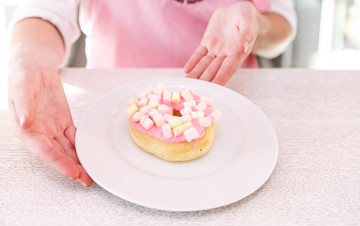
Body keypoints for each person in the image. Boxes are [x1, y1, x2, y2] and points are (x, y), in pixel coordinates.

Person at [7, 0, 296, 187]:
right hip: (108, 107)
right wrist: (30, 59)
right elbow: (43, 11)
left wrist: (256, 26)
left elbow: (282, 24)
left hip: (235, 96)